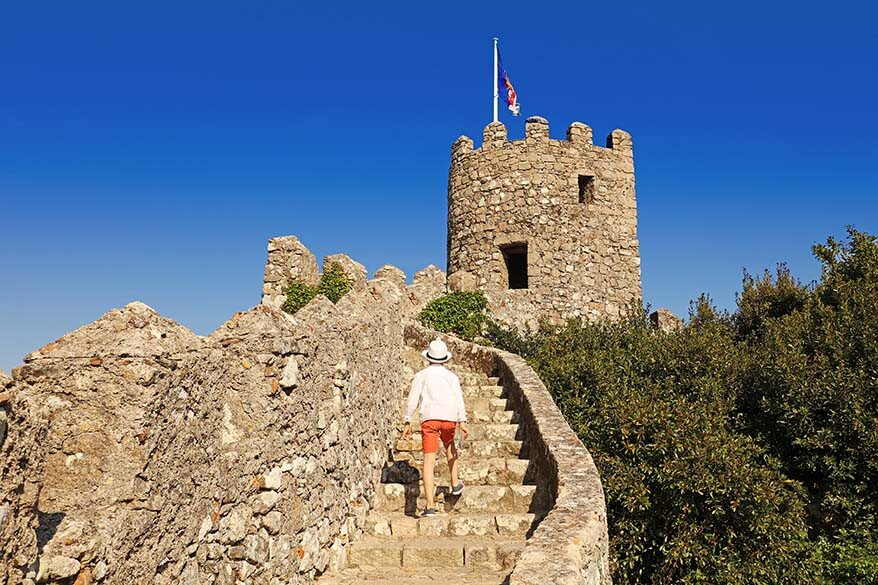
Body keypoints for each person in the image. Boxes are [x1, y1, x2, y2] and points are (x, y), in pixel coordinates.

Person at [402, 338, 469, 517]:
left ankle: (430, 506)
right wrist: (462, 421)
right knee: (449, 446)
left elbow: (412, 399)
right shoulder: (452, 377)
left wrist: (407, 420)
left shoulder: (421, 375)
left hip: (429, 418)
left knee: (429, 460)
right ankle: (455, 483)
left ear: (428, 358)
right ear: (445, 359)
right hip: (449, 417)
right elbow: (458, 399)